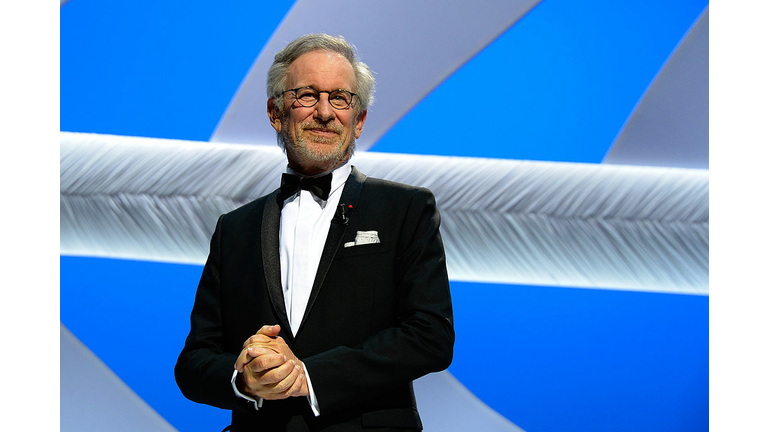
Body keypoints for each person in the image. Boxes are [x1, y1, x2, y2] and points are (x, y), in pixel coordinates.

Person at [175, 33, 454, 432]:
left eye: (340, 98)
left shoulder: (404, 209)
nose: (325, 112)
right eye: (306, 95)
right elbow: (193, 363)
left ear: (358, 120)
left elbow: (431, 336)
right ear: (275, 112)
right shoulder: (234, 228)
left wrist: (310, 376)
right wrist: (244, 379)